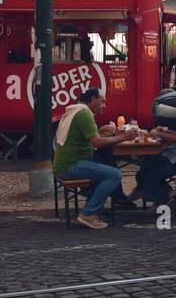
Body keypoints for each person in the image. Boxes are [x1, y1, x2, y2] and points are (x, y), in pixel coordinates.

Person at [52, 88, 137, 229]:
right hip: (70, 166)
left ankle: (97, 206)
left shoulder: (74, 111)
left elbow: (85, 139)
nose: (104, 106)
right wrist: (124, 137)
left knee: (107, 166)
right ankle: (88, 213)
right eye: (102, 101)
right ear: (92, 99)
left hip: (67, 164)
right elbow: (97, 143)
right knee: (114, 174)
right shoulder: (84, 114)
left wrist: (99, 132)